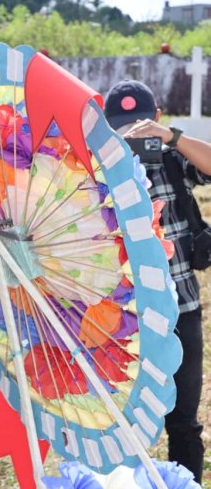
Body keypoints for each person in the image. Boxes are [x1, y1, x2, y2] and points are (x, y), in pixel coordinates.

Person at [104, 79, 211, 484]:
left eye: (141, 124)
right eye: (121, 127)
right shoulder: (95, 168)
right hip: (120, 319)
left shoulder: (172, 159)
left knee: (183, 421)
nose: (132, 135)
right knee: (122, 425)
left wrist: (172, 138)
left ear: (158, 119)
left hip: (181, 309)